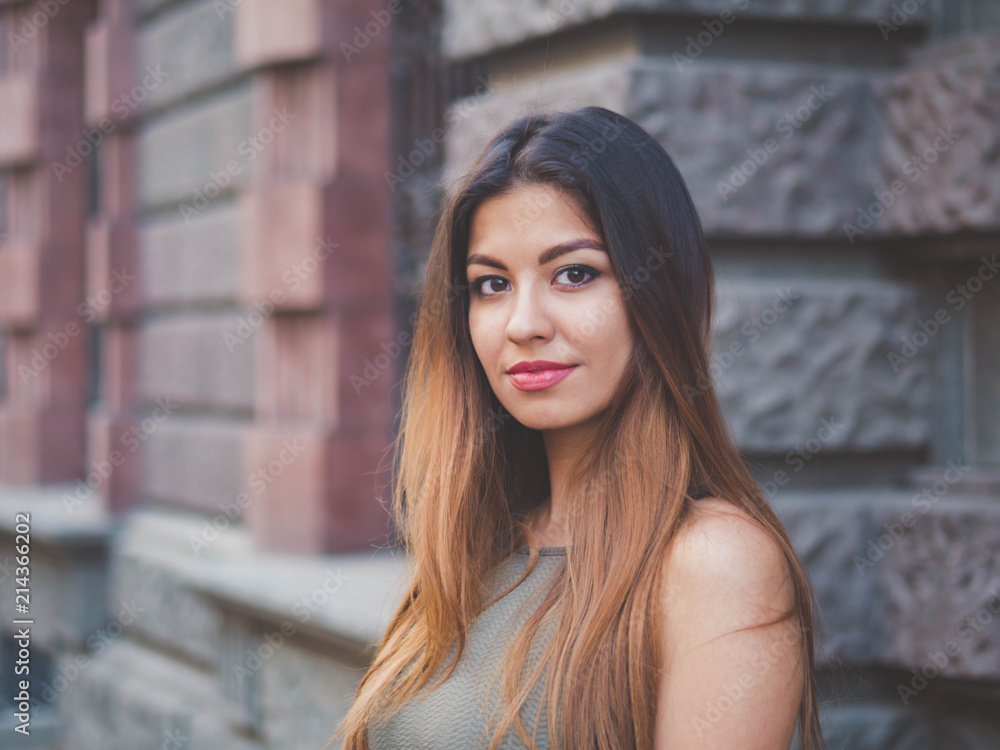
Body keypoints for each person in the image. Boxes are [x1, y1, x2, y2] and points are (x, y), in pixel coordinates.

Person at [331, 106, 826, 750]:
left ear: (659, 293)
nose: (523, 323)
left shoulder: (714, 563)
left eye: (574, 274)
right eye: (490, 284)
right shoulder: (476, 544)